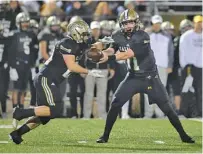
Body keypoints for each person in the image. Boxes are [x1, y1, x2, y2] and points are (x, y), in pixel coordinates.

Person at [96, 9, 195, 144]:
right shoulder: (117, 35)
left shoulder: (143, 36)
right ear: (121, 24)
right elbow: (112, 48)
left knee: (167, 108)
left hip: (150, 77)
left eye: (131, 22)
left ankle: (183, 135)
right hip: (132, 77)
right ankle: (105, 136)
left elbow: (127, 54)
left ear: (136, 23)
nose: (128, 26)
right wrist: (101, 52)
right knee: (115, 103)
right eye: (125, 23)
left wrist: (108, 57)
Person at [9, 20, 104, 144]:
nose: (87, 36)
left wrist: (106, 43)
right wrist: (90, 72)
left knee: (45, 116)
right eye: (84, 34)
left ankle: (17, 134)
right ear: (76, 33)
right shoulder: (67, 43)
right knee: (54, 109)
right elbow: (72, 66)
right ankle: (21, 112)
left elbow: (94, 45)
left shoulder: (79, 43)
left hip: (52, 80)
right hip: (46, 78)